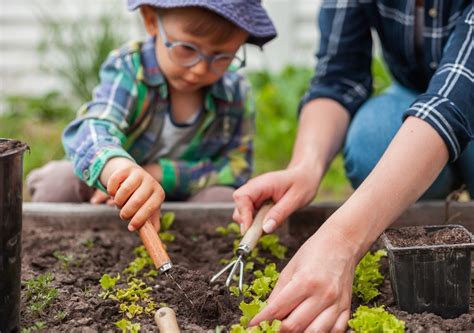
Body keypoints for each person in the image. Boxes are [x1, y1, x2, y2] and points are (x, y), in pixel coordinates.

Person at [233, 1, 473, 331]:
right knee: (370, 142)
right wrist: (306, 166)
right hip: (415, 93)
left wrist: (341, 242)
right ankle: (431, 188)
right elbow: (338, 77)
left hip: (461, 95)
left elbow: (452, 102)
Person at [26, 0, 276, 232]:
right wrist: (118, 172)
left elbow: (236, 168)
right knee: (57, 184)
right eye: (187, 48)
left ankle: (180, 246)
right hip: (110, 187)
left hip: (186, 196)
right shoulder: (130, 68)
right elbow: (93, 127)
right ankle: (84, 239)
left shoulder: (235, 92)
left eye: (222, 56)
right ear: (151, 20)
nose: (200, 68)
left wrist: (159, 174)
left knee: (224, 201)